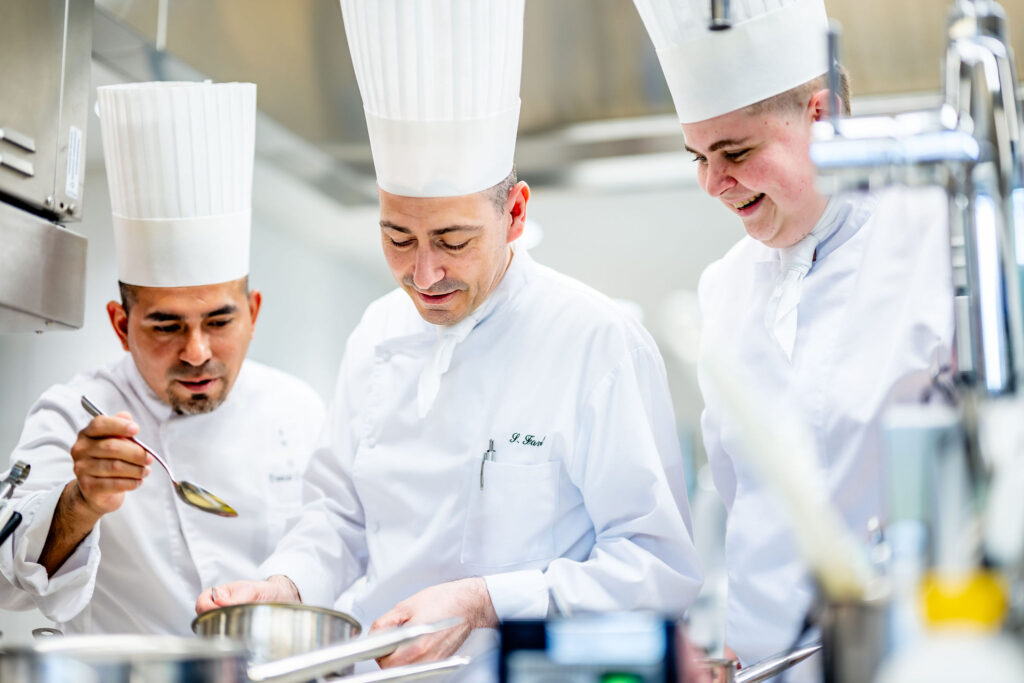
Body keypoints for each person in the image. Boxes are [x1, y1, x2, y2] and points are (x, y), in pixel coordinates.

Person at [197, 0, 703, 672]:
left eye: (453, 241)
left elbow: (656, 567)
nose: (423, 273)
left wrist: (486, 600)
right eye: (397, 238)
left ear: (514, 213)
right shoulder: (377, 332)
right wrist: (286, 585)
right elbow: (339, 518)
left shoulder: (595, 340)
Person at [632, 0, 953, 675]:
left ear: (822, 114)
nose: (713, 183)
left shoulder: (939, 246)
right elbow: (739, 504)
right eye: (698, 157)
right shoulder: (724, 288)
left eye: (736, 152)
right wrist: (719, 645)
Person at [0, 81, 325, 635]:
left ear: (253, 314)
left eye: (219, 322)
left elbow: (336, 544)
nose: (196, 352)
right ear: (121, 326)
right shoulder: (73, 414)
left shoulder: (299, 409)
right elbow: (5, 581)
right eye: (166, 326)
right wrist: (83, 500)